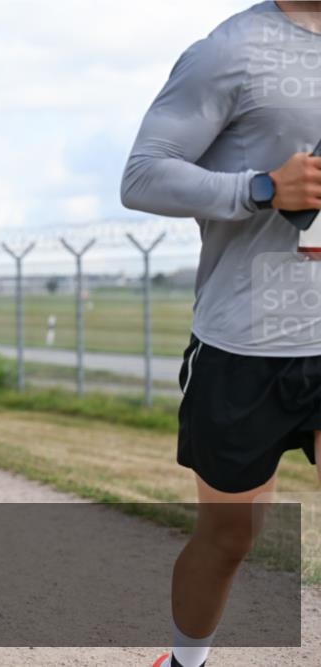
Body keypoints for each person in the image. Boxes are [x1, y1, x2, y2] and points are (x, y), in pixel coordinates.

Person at [120, 3, 321, 666]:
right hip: (246, 341)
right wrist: (262, 187)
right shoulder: (230, 49)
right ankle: (185, 660)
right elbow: (144, 173)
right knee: (231, 536)